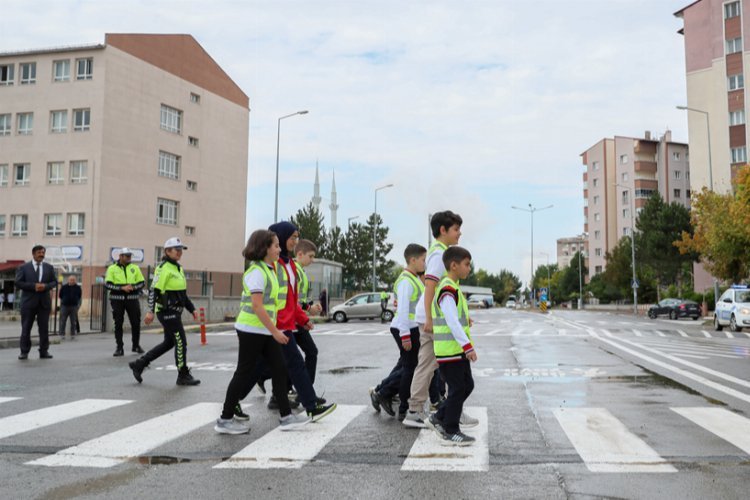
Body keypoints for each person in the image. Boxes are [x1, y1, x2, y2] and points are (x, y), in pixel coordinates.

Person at [215, 230, 311, 434]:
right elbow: (258, 307)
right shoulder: (257, 272)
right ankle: (224, 419)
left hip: (263, 330)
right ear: (264, 248)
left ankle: (286, 416)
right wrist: (276, 331)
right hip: (251, 330)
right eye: (275, 246)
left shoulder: (269, 269)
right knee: (243, 373)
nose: (279, 249)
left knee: (279, 368)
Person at [240, 222, 335, 421]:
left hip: (284, 324)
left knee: (262, 367)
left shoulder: (290, 265)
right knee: (294, 363)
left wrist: (302, 319)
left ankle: (234, 402)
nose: (295, 241)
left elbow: (291, 300)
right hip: (275, 325)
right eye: (292, 237)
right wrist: (280, 327)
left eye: (297, 237)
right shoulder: (272, 265)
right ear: (281, 237)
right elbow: (271, 301)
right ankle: (310, 405)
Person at [404, 211, 474, 428]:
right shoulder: (437, 255)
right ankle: (415, 410)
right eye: (455, 229)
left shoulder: (445, 252)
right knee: (428, 365)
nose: (459, 233)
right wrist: (429, 318)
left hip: (437, 317)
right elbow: (430, 285)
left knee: (444, 367)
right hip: (432, 321)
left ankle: (449, 409)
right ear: (443, 230)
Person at [128, 238, 199, 386]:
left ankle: (140, 364)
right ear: (167, 251)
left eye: (181, 249)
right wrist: (150, 311)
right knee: (181, 341)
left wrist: (192, 309)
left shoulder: (178, 268)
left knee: (169, 342)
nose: (179, 252)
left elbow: (182, 294)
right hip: (167, 311)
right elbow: (154, 290)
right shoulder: (163, 268)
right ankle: (183, 374)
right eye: (176, 249)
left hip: (175, 311)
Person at [425, 246, 478, 446]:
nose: (469, 269)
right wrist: (468, 347)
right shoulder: (447, 289)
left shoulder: (453, 287)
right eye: (466, 264)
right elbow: (451, 321)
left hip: (456, 351)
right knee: (457, 389)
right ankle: (451, 429)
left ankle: (439, 416)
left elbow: (456, 317)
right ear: (454, 265)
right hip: (450, 351)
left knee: (467, 385)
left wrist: (467, 321)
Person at [370, 244, 426, 422]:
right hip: (406, 327)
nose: (425, 264)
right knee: (411, 368)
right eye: (423, 260)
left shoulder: (413, 278)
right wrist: (405, 335)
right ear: (413, 260)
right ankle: (400, 404)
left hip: (410, 326)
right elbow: (402, 310)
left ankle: (382, 392)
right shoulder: (406, 281)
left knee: (407, 365)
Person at [14, 245, 58, 360]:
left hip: (44, 303)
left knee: (44, 328)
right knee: (26, 328)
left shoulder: (49, 267)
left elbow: (54, 282)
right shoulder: (23, 267)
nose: (41, 254)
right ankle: (24, 352)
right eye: (39, 252)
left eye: (43, 252)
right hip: (28, 303)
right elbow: (18, 282)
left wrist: (45, 286)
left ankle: (44, 351)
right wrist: (34, 286)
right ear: (33, 254)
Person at [293, 239, 323, 387]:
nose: (313, 259)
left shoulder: (300, 271)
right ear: (300, 254)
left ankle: (301, 391)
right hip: (293, 320)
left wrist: (310, 306)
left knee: (294, 357)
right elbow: (293, 300)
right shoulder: (295, 271)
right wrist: (308, 311)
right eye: (310, 256)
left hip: (297, 318)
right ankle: (306, 390)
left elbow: (300, 299)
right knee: (307, 354)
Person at [105, 248, 146, 356]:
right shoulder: (112, 268)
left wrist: (132, 287)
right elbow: (108, 284)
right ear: (120, 256)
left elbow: (142, 283)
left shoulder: (135, 268)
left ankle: (136, 345)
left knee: (136, 323)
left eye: (130, 256)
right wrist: (121, 288)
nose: (129, 258)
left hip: (132, 299)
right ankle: (119, 348)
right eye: (126, 256)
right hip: (117, 300)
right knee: (118, 323)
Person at [58, 275, 82, 340]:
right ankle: (62, 334)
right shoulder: (64, 287)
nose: (72, 281)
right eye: (71, 280)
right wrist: (64, 300)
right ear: (68, 280)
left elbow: (79, 296)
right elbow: (60, 295)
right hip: (64, 306)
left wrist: (77, 305)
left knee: (73, 321)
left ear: (75, 280)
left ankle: (73, 334)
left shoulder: (78, 287)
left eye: (73, 280)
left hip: (74, 306)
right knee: (63, 321)